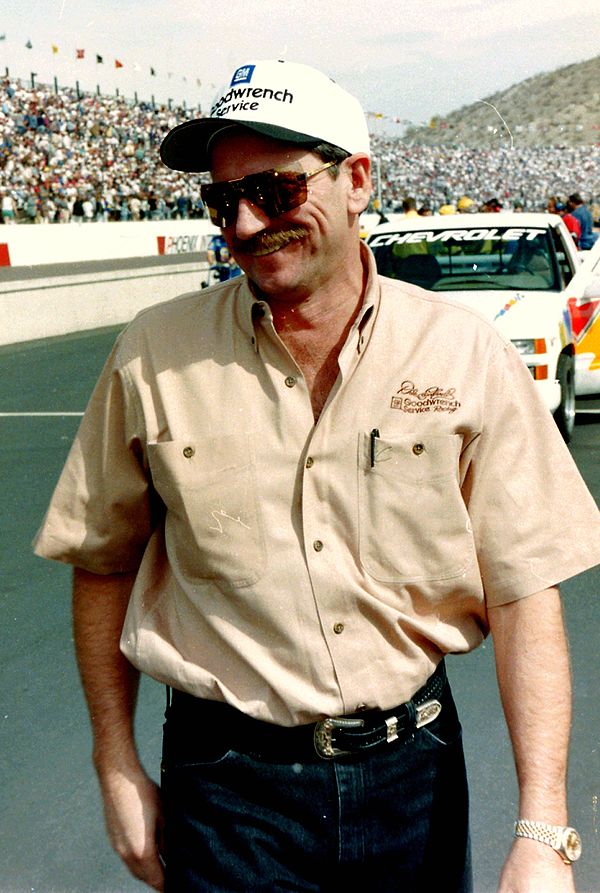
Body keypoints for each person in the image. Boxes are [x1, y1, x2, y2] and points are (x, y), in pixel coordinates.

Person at [34, 59, 600, 893]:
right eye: (223, 201)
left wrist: (544, 827)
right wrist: (116, 767)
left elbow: (522, 595)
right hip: (226, 788)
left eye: (277, 189)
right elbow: (102, 562)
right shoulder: (152, 353)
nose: (248, 222)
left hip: (414, 778)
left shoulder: (464, 354)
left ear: (357, 179)